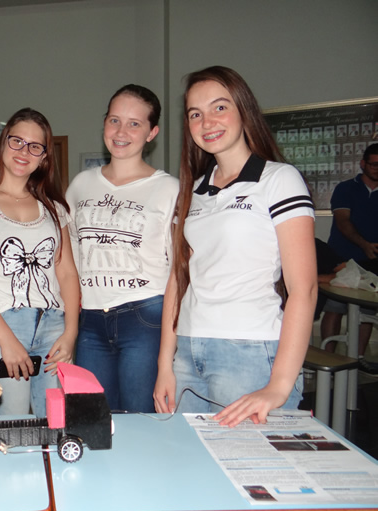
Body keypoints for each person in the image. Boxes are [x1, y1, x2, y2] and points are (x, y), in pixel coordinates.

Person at [153, 66, 317, 427]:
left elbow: (303, 289)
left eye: (219, 107)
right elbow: (178, 280)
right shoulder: (192, 191)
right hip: (189, 351)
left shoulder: (279, 179)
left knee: (246, 461)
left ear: (244, 110)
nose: (207, 122)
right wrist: (165, 363)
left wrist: (279, 385)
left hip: (249, 352)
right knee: (188, 457)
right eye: (195, 114)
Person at [0, 108, 79, 417]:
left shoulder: (54, 208)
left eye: (35, 146)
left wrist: (71, 332)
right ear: (3, 142)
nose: (24, 151)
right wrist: (6, 341)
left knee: (57, 423)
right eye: (17, 141)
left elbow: (66, 273)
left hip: (53, 328)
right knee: (12, 425)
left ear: (44, 157)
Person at [65, 85, 178, 412]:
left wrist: (168, 357)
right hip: (90, 322)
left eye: (134, 124)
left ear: (152, 133)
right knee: (94, 420)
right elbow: (69, 258)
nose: (121, 132)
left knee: (142, 422)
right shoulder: (80, 185)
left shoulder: (169, 189)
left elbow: (179, 272)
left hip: (145, 318)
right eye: (114, 120)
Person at [322, 143, 378, 375]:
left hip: (373, 263)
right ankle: (328, 357)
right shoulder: (345, 188)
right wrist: (364, 245)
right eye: (374, 164)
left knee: (367, 313)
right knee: (334, 309)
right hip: (342, 258)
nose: (377, 168)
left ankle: (358, 359)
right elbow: (343, 221)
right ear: (363, 164)